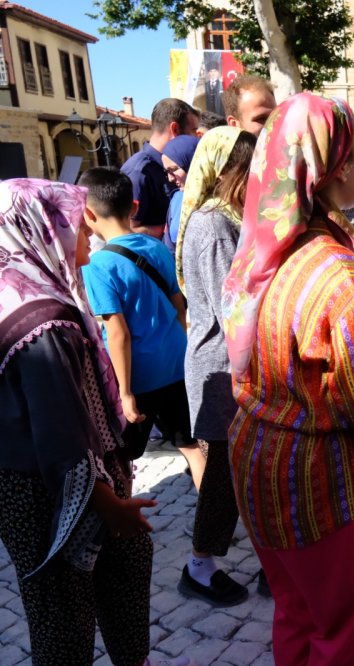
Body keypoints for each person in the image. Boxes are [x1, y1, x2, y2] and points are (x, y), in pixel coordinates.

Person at [221, 92, 354, 666]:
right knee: (349, 634)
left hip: (258, 462)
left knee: (297, 614)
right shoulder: (343, 277)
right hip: (321, 484)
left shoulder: (268, 254)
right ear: (337, 168)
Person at [0, 178, 188, 666]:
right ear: (42, 229)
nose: (87, 245)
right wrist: (113, 507)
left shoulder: (11, 293)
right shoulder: (48, 323)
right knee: (67, 617)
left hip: (21, 487)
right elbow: (62, 439)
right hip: (57, 498)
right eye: (76, 230)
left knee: (55, 609)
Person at [173, 127, 257, 606]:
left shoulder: (226, 217)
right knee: (224, 476)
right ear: (224, 172)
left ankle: (270, 559)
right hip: (222, 368)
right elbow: (234, 308)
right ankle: (199, 566)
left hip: (231, 365)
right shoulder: (212, 224)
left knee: (243, 472)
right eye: (247, 171)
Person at [79, 168, 201, 476]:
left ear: (88, 214)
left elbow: (117, 332)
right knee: (191, 447)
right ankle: (213, 522)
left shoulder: (97, 265)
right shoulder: (158, 247)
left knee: (120, 457)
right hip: (174, 366)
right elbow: (179, 310)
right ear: (133, 207)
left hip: (137, 376)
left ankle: (127, 523)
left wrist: (124, 392)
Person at [120, 98, 200, 238]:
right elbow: (128, 230)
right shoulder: (139, 171)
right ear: (174, 129)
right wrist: (174, 228)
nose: (196, 137)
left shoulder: (183, 163)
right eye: (193, 131)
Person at [160, 134, 199, 250]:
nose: (170, 178)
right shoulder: (177, 198)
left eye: (173, 170)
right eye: (167, 171)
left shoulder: (216, 202)